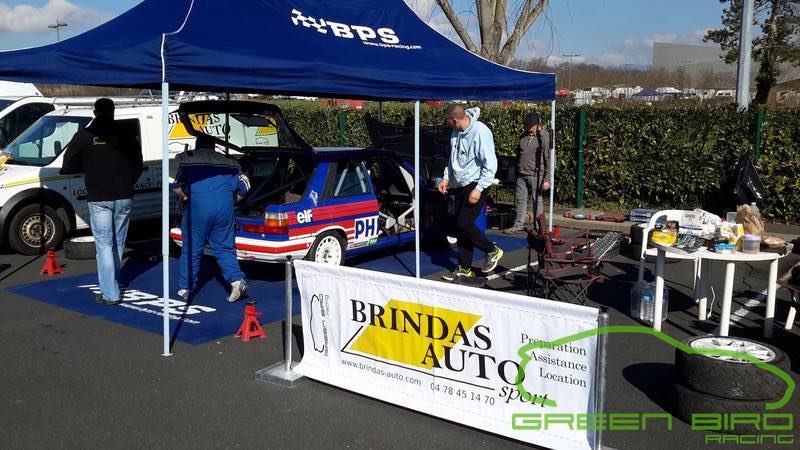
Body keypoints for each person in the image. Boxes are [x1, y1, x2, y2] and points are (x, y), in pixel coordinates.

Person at [61, 98, 143, 305]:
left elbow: (67, 166)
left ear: (95, 112)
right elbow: (138, 164)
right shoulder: (127, 135)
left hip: (99, 196)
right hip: (124, 195)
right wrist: (128, 181)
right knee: (118, 242)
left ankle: (110, 293)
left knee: (104, 244)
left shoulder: (84, 135)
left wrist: (89, 167)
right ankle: (112, 283)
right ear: (113, 112)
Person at [171, 135, 250, 302]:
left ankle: (186, 288)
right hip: (224, 207)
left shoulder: (185, 158)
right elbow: (245, 186)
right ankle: (236, 280)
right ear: (213, 146)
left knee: (192, 248)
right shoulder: (230, 161)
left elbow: (172, 181)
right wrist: (234, 200)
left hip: (198, 206)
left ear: (197, 145)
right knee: (225, 248)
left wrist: (183, 195)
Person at [438, 104, 503, 281]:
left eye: (448, 122)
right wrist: (446, 178)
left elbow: (490, 164)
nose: (448, 125)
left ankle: (492, 250)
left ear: (455, 120)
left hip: (476, 183)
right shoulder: (456, 133)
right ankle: (464, 267)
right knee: (461, 228)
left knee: (463, 224)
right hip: (460, 184)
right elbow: (453, 159)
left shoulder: (481, 132)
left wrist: (479, 189)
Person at [504, 112, 550, 234]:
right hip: (521, 174)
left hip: (536, 175)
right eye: (526, 125)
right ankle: (518, 225)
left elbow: (549, 160)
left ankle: (538, 227)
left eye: (530, 125)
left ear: (537, 124)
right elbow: (518, 155)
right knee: (520, 200)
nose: (527, 127)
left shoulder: (544, 138)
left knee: (537, 201)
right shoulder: (523, 136)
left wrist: (547, 179)